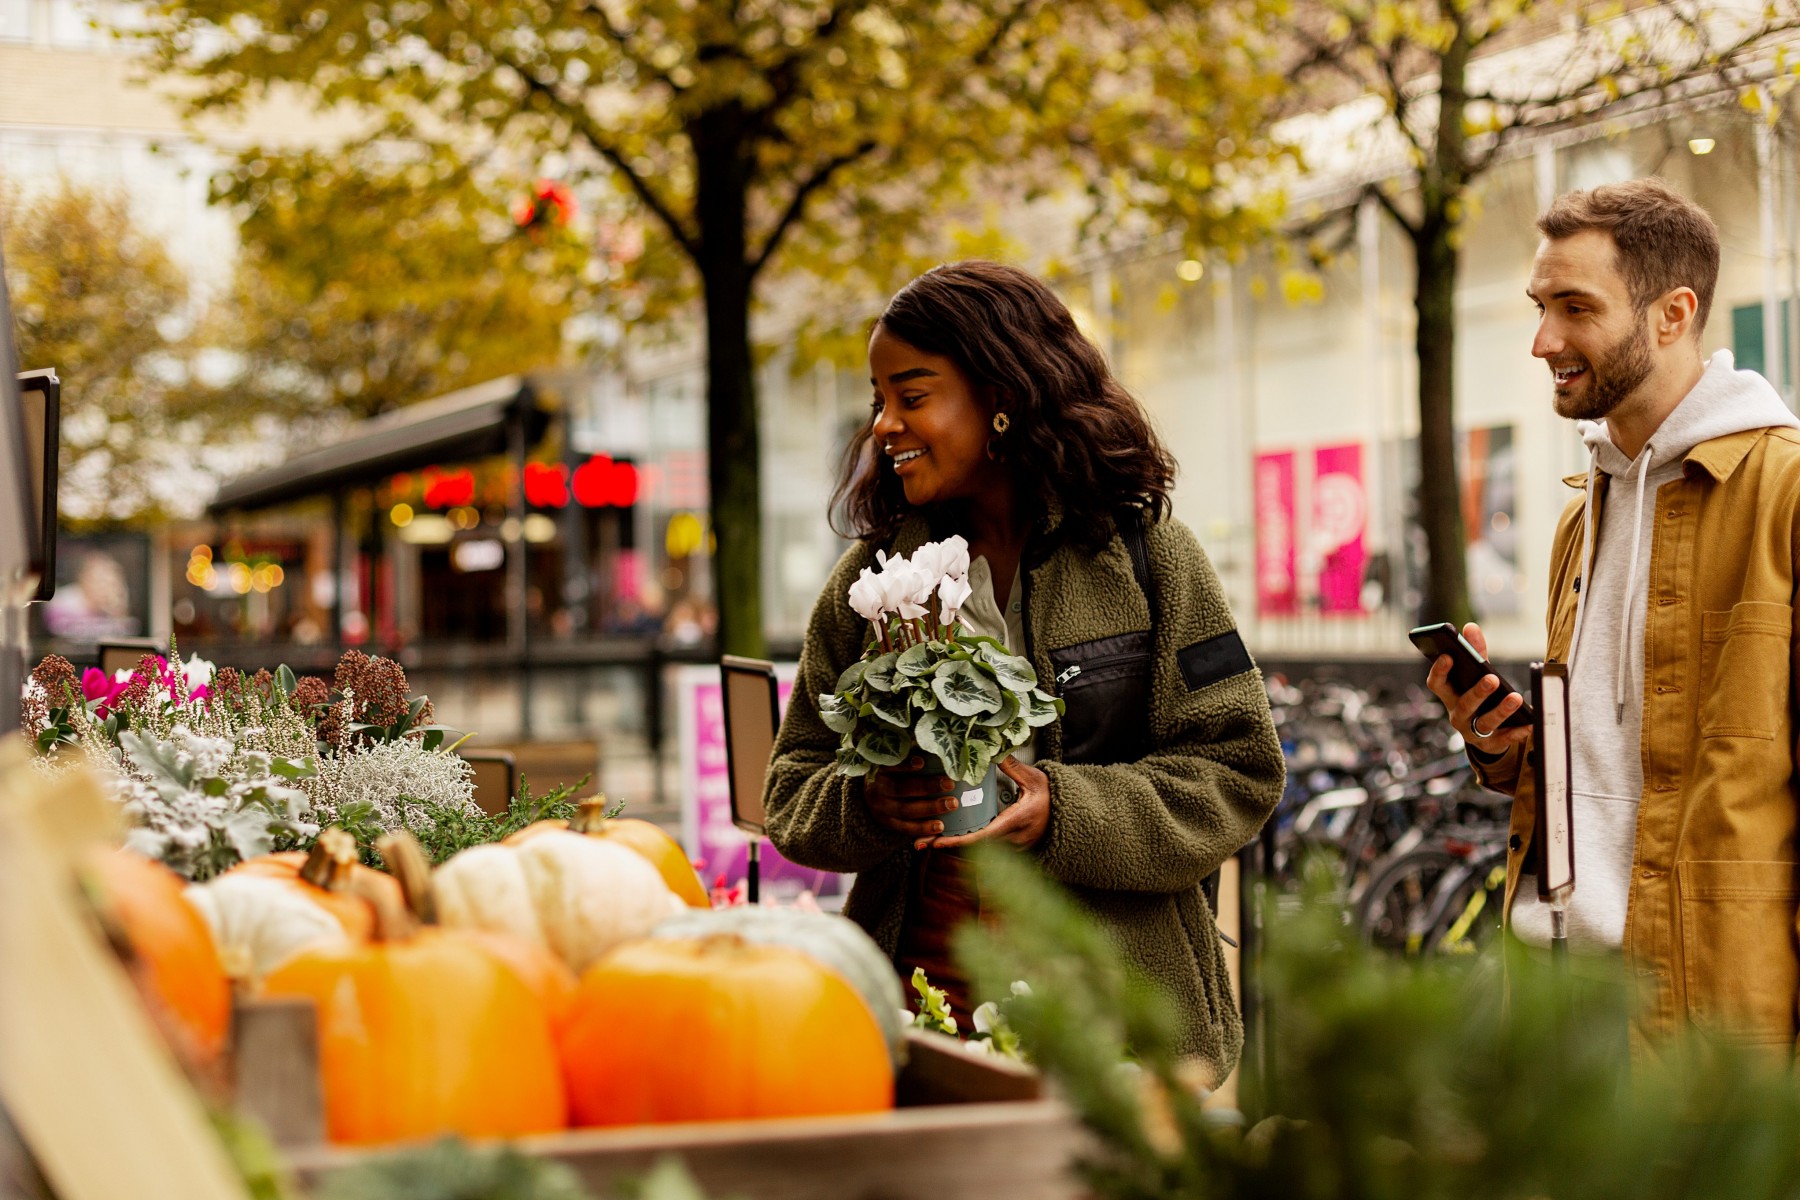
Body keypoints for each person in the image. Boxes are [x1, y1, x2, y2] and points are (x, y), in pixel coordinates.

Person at [762, 260, 1285, 1078]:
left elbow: (1238, 769)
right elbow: (791, 786)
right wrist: (867, 800)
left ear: (1001, 395)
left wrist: (1065, 810)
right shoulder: (870, 586)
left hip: (1119, 1026)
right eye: (878, 402)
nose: (884, 426)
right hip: (918, 1013)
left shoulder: (1149, 558)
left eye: (913, 394)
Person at [1427, 178, 1800, 1050]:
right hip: (1553, 1003)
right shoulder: (1578, 517)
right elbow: (1611, 765)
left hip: (1706, 1029)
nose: (1543, 340)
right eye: (1539, 305)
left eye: (1575, 307)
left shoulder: (1783, 495)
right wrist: (1505, 753)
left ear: (1673, 314)